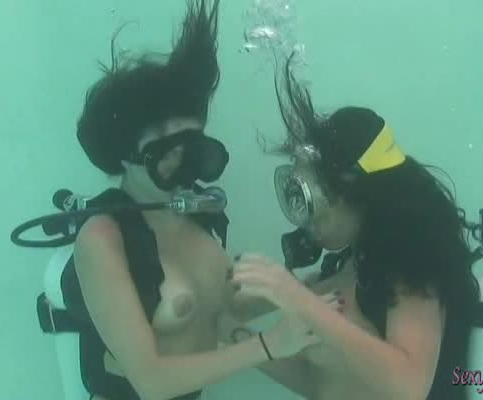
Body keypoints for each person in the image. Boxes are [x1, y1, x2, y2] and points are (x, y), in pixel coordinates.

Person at [64, 2, 318, 400]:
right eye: (168, 150)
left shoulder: (198, 214)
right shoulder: (102, 239)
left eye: (193, 146)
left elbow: (224, 304)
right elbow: (151, 382)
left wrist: (314, 288)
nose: (183, 163)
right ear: (126, 155)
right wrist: (268, 345)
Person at [224, 55, 481, 400]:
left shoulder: (412, 265)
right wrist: (231, 336)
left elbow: (409, 386)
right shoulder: (349, 268)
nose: (305, 219)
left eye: (309, 200)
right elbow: (320, 384)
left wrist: (298, 299)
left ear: (353, 195)